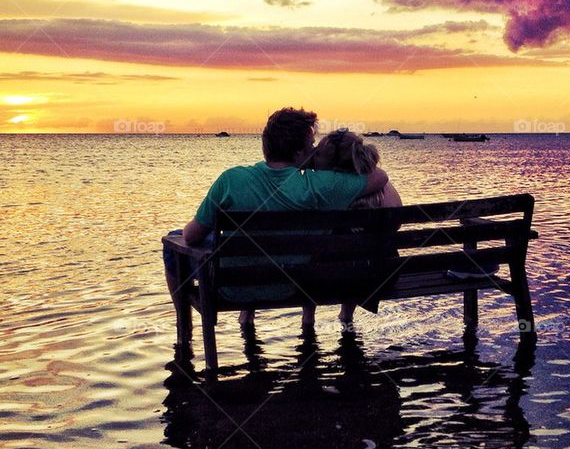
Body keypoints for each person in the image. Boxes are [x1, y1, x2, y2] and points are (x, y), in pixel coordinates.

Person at [162, 107, 390, 328]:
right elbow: (379, 176)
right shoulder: (321, 186)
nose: (312, 150)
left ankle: (183, 326)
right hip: (288, 285)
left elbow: (191, 237)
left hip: (231, 288)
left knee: (174, 242)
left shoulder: (231, 179)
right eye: (311, 145)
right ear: (299, 153)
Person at [310, 129, 402, 325]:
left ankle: (308, 319)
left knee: (321, 248)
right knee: (355, 248)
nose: (313, 155)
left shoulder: (327, 188)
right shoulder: (381, 184)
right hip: (383, 277)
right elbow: (396, 224)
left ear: (332, 163)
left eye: (318, 153)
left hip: (339, 280)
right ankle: (347, 316)